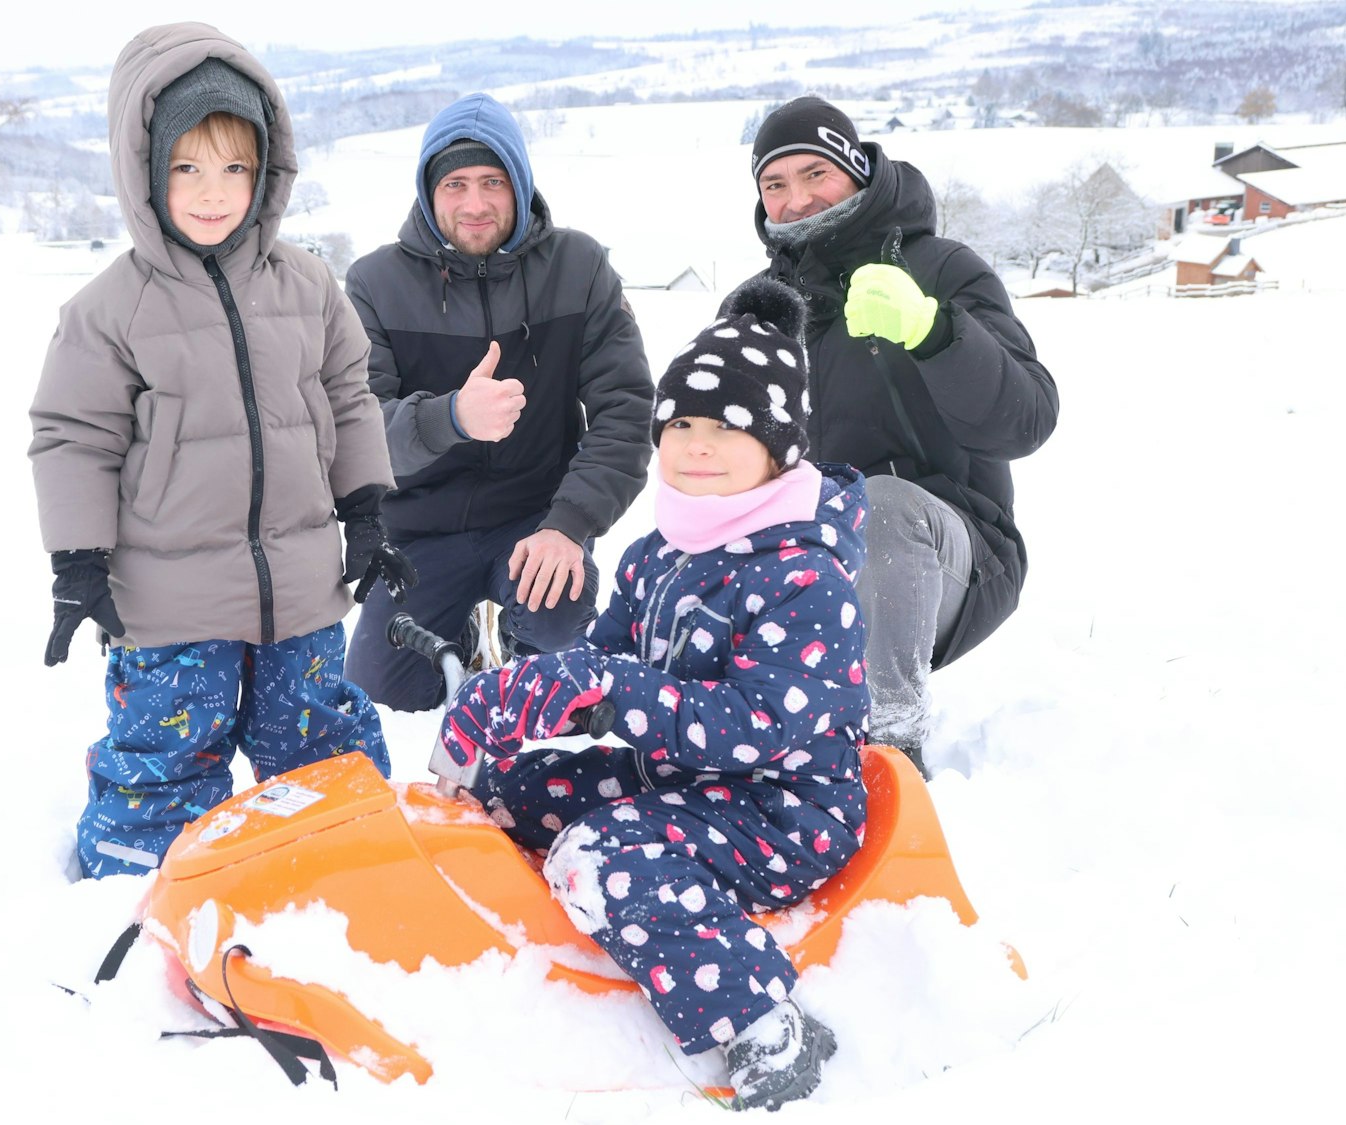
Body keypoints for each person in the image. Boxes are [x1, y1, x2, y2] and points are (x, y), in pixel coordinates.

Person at [439, 279, 868, 1111]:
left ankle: (766, 1026)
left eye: (725, 428)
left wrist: (611, 689)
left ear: (779, 449)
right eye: (680, 425)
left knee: (608, 852)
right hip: (680, 776)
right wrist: (529, 694)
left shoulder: (807, 577)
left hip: (780, 809)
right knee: (516, 788)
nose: (696, 447)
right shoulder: (661, 550)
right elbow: (604, 661)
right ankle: (513, 936)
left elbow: (751, 730)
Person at [27, 24, 415, 880]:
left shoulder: (307, 284)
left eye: (236, 168)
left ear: (266, 171)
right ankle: (141, 895)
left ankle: (345, 874)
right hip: (171, 600)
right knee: (165, 757)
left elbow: (349, 399)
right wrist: (79, 561)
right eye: (187, 168)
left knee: (318, 748)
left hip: (303, 587)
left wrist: (366, 509)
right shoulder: (110, 309)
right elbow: (72, 436)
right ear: (145, 171)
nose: (214, 193)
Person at [735, 95, 1058, 774]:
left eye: (814, 173)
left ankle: (889, 754)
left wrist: (934, 331)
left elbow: (1028, 418)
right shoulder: (757, 307)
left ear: (855, 169)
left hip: (952, 554)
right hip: (811, 565)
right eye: (775, 185)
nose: (795, 200)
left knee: (876, 504)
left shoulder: (941, 267)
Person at [342, 92, 654, 711]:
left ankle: (515, 637)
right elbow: (356, 431)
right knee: (379, 691)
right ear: (429, 192)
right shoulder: (375, 285)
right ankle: (460, 631)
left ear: (520, 185)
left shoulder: (579, 267)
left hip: (535, 521)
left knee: (558, 632)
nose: (476, 204)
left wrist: (570, 525)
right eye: (455, 183)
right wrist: (448, 418)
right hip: (421, 532)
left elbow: (626, 411)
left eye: (493, 181)